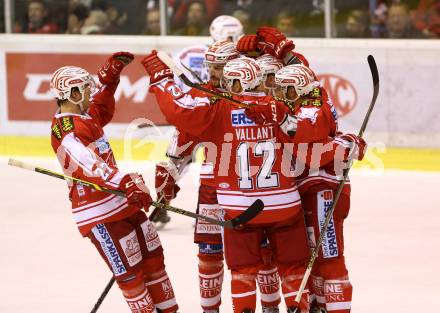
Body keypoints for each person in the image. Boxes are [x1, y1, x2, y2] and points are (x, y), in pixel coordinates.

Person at [143, 52, 311, 313]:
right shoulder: (278, 105)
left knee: (243, 268)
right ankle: (281, 307)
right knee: (291, 266)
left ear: (234, 84)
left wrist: (161, 78)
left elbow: (178, 112)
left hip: (239, 206)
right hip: (285, 204)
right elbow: (308, 131)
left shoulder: (217, 108)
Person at [49, 52, 178, 313]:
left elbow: (102, 108)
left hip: (122, 203)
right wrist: (124, 180)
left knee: (154, 260)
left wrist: (109, 83)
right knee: (131, 275)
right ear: (72, 93)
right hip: (100, 215)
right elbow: (88, 165)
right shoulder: (64, 130)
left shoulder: (85, 117)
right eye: (85, 89)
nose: (89, 93)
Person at [273, 64, 367, 313]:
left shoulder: (309, 109)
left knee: (329, 258)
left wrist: (345, 147)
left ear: (302, 88)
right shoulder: (299, 106)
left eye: (288, 90)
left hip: (323, 192)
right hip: (306, 191)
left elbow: (311, 150)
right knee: (313, 258)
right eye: (280, 89)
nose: (282, 95)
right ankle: (321, 307)